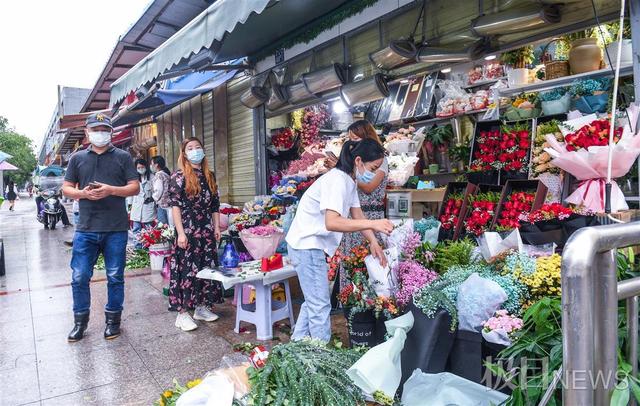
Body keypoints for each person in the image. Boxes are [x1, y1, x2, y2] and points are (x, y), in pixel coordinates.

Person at [286, 138, 394, 343]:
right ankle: (320, 359)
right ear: (359, 161)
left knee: (313, 301)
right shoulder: (337, 181)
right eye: (374, 167)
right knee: (320, 305)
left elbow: (358, 214)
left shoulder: (348, 180)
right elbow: (332, 222)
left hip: (308, 246)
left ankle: (297, 344)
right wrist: (375, 223)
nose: (374, 172)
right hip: (307, 245)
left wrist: (373, 241)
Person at [62, 113, 139, 342]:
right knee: (79, 276)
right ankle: (80, 322)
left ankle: (113, 321)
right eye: (95, 129)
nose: (100, 133)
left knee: (115, 276)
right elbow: (66, 188)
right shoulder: (77, 158)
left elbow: (134, 187)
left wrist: (110, 190)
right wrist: (83, 193)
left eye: (104, 129)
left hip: (115, 227)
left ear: (111, 132)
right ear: (87, 132)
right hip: (85, 228)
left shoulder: (123, 157)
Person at [168, 137, 223, 332]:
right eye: (190, 148)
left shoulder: (210, 176)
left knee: (206, 269)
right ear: (184, 154)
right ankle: (182, 313)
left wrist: (216, 227)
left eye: (198, 147)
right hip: (188, 229)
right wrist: (180, 233)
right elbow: (175, 206)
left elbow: (215, 204)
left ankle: (202, 307)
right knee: (186, 271)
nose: (194, 151)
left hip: (206, 229)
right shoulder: (178, 176)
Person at [336, 120, 389, 290]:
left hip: (371, 216)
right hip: (354, 218)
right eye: (351, 140)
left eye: (356, 139)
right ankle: (352, 300)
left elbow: (368, 187)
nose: (353, 144)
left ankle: (374, 301)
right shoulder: (343, 177)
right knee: (352, 262)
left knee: (370, 262)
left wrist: (354, 176)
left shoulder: (379, 160)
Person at [129, 158, 156, 247]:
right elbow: (131, 194)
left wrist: (152, 199)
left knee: (149, 228)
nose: (141, 169)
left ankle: (150, 247)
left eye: (142, 167)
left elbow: (156, 192)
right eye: (138, 167)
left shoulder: (152, 177)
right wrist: (129, 206)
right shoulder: (134, 178)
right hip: (137, 206)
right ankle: (138, 247)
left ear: (146, 167)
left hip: (148, 206)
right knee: (136, 229)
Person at [150, 155, 172, 226]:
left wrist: (153, 198)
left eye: (151, 164)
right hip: (168, 203)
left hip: (162, 204)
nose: (151, 166)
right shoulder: (166, 173)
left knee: (162, 226)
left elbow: (158, 190)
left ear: (156, 165)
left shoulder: (159, 175)